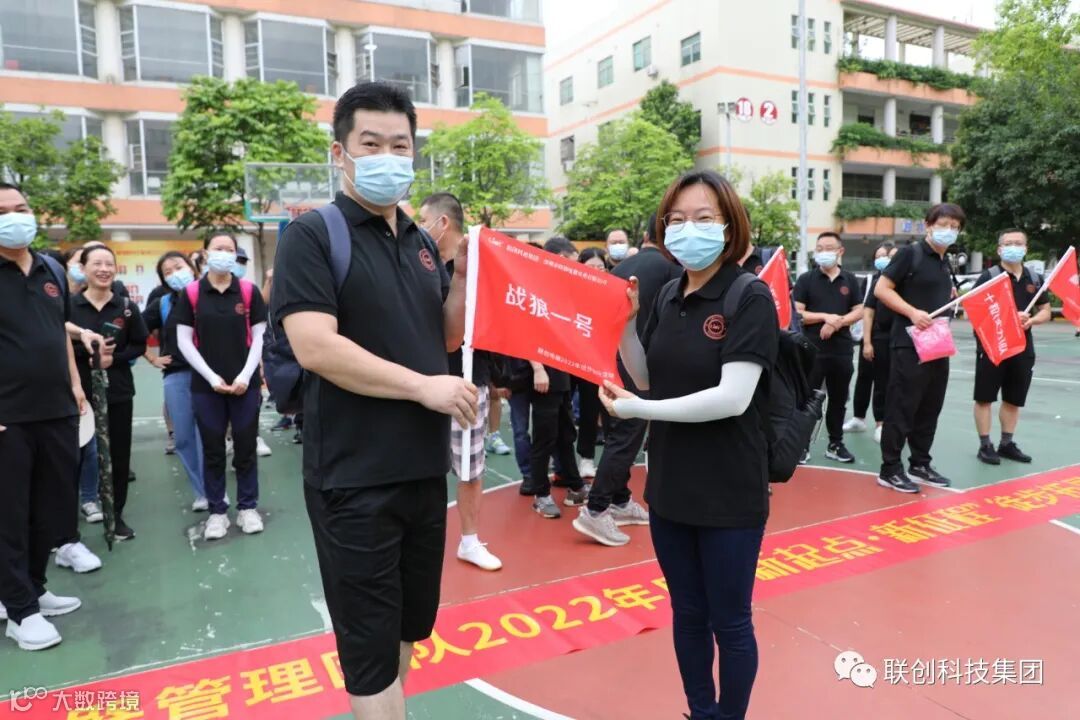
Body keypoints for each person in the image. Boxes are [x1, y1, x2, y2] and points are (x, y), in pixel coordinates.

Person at [271, 82, 478, 720]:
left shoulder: (420, 241)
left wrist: (464, 277)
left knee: (408, 630)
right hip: (353, 480)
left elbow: (443, 337)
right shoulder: (312, 236)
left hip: (422, 471)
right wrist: (423, 386)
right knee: (369, 650)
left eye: (400, 145)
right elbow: (315, 347)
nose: (388, 156)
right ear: (341, 153)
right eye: (371, 144)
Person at [599, 171, 778, 719]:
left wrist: (641, 411)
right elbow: (648, 377)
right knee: (688, 613)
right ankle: (701, 710)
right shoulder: (669, 294)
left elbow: (732, 398)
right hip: (671, 488)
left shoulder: (749, 296)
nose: (686, 229)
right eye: (675, 220)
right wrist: (627, 326)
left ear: (729, 225)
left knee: (731, 621)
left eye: (702, 218)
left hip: (729, 493)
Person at [0, 182, 86, 650]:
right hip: (8, 416)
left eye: (20, 207)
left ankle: (33, 586)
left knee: (49, 509)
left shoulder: (51, 268)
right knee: (8, 515)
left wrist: (74, 384)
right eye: (2, 212)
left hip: (56, 409)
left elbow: (57, 332)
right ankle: (20, 611)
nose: (14, 217)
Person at [574, 213, 680, 547]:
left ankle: (619, 499)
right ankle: (596, 508)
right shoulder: (672, 270)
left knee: (617, 433)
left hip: (607, 359)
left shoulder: (620, 268)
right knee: (627, 435)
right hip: (635, 364)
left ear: (644, 236)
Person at [419, 191, 502, 572]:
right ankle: (422, 539)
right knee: (423, 466)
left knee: (469, 466)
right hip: (421, 382)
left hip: (467, 380)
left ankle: (469, 540)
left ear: (443, 223)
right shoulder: (420, 267)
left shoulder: (479, 269)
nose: (420, 229)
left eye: (424, 221)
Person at [175, 232, 268, 540]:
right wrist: (212, 378)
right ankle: (217, 512)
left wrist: (245, 377)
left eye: (230, 249)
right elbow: (184, 341)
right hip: (206, 388)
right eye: (218, 248)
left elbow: (259, 337)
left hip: (245, 385)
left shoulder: (248, 291)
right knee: (213, 449)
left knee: (245, 447)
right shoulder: (191, 293)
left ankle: (248, 507)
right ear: (205, 253)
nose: (224, 253)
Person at [874, 203, 964, 493]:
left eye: (954, 227)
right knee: (902, 407)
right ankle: (890, 468)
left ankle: (920, 463)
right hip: (909, 344)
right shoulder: (909, 254)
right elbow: (881, 289)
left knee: (930, 406)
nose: (948, 231)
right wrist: (912, 312)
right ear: (928, 225)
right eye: (943, 224)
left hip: (938, 344)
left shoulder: (944, 261)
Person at [71, 245, 148, 541]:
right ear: (83, 268)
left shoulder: (126, 307)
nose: (104, 269)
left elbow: (139, 344)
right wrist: (90, 355)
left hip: (118, 390)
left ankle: (116, 515)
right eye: (97, 264)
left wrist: (113, 358)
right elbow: (60, 345)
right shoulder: (69, 306)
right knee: (75, 454)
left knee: (118, 454)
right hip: (78, 392)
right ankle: (67, 524)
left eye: (109, 264)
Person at [972, 229, 1052, 465]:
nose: (1013, 247)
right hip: (993, 346)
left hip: (1022, 347)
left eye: (1018, 243)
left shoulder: (1034, 279)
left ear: (1026, 249)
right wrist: (1007, 318)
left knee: (1014, 398)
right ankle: (985, 445)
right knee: (985, 397)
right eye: (1008, 243)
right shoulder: (989, 277)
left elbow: (1045, 310)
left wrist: (1031, 320)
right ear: (999, 249)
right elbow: (975, 311)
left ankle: (1006, 443)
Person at [144, 251, 207, 511]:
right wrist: (152, 358)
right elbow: (134, 329)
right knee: (183, 437)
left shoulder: (211, 295)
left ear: (191, 267)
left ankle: (215, 489)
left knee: (208, 434)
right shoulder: (163, 303)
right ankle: (201, 492)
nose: (174, 274)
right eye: (167, 272)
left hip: (210, 375)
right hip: (176, 375)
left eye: (178, 267)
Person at [793, 232, 863, 464]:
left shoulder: (850, 280)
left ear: (840, 251)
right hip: (811, 350)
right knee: (807, 398)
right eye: (820, 248)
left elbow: (859, 310)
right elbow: (798, 313)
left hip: (841, 350)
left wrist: (837, 323)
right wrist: (826, 317)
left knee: (838, 399)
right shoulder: (806, 280)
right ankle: (801, 445)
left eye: (829, 248)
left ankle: (835, 444)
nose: (824, 252)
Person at [851, 243, 899, 443]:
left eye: (886, 256)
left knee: (884, 382)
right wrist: (867, 341)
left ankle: (883, 423)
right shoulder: (873, 281)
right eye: (878, 256)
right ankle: (859, 418)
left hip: (894, 339)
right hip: (872, 336)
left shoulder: (904, 282)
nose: (882, 259)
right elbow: (866, 310)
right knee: (864, 377)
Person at [573, 247, 611, 479]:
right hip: (573, 359)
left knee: (600, 410)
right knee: (575, 412)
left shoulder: (611, 292)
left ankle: (597, 460)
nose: (597, 271)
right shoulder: (571, 291)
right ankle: (575, 459)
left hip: (600, 361)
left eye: (601, 267)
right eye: (592, 267)